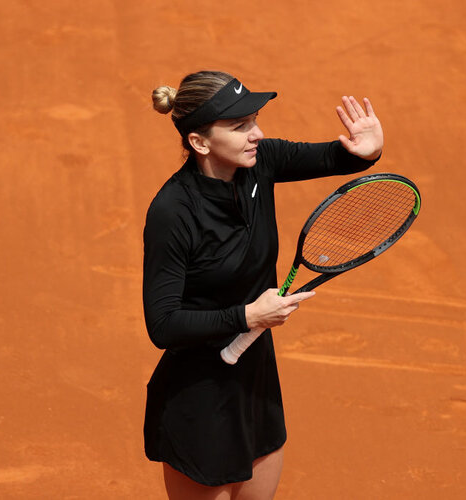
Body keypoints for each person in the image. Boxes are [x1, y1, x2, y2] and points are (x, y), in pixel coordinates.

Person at [142, 70, 383, 500]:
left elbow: (335, 156)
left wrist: (367, 150)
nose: (257, 134)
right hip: (198, 395)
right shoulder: (172, 212)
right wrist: (247, 315)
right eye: (240, 127)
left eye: (254, 120)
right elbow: (162, 325)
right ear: (200, 142)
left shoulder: (261, 164)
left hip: (255, 382)